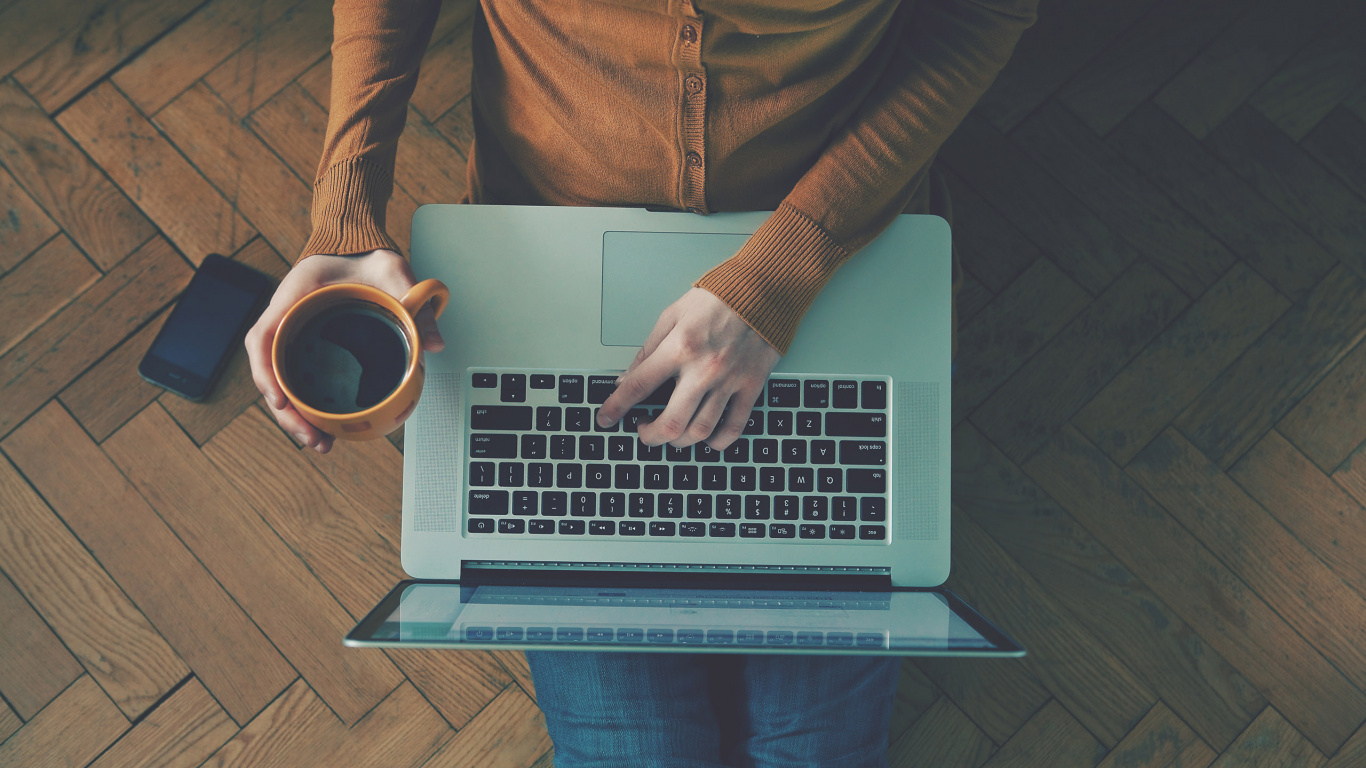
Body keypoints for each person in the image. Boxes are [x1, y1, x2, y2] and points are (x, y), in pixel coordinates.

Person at [246, 0, 1036, 764]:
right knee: (636, 754)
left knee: (814, 753)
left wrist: (781, 272)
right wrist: (346, 204)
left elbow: (981, 12)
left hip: (835, 250)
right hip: (545, 252)